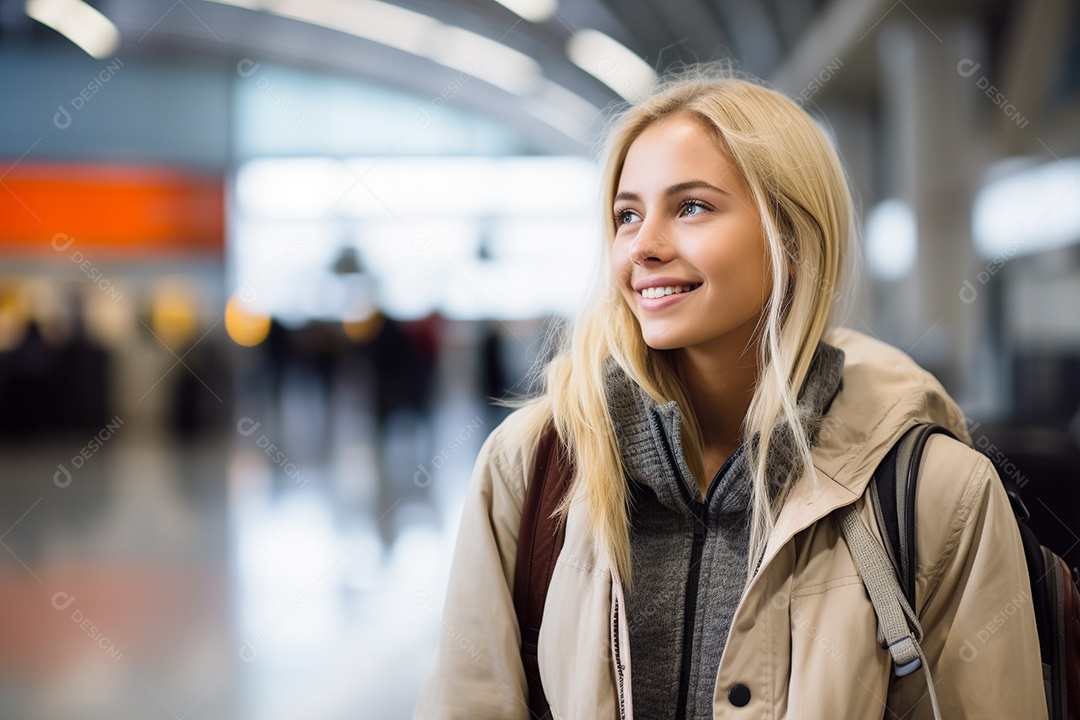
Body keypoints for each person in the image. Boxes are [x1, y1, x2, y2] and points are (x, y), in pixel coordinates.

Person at [413, 68, 1045, 719]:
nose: (644, 247)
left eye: (691, 207)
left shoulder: (936, 491)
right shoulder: (534, 466)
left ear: (792, 239)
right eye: (627, 215)